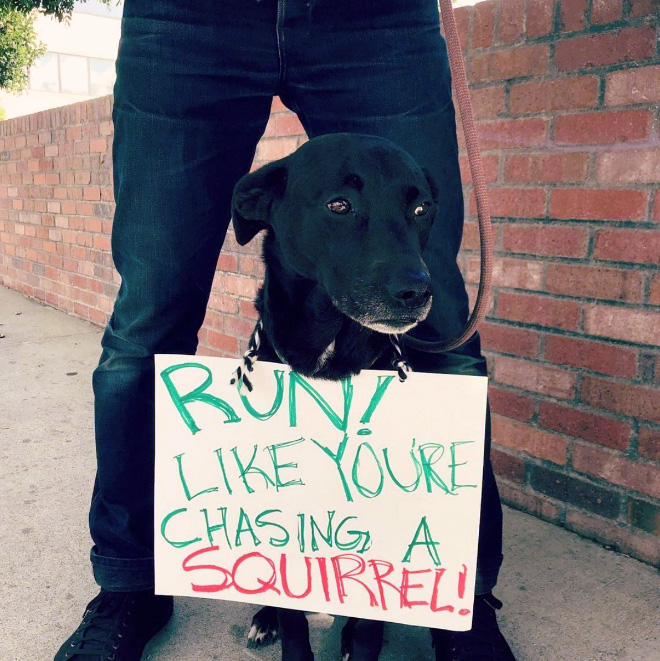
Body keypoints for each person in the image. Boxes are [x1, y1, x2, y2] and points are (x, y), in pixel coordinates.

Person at [54, 0, 515, 659]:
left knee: (440, 327)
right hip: (184, 21)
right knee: (145, 327)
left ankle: (458, 595)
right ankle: (131, 584)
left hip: (375, 18)